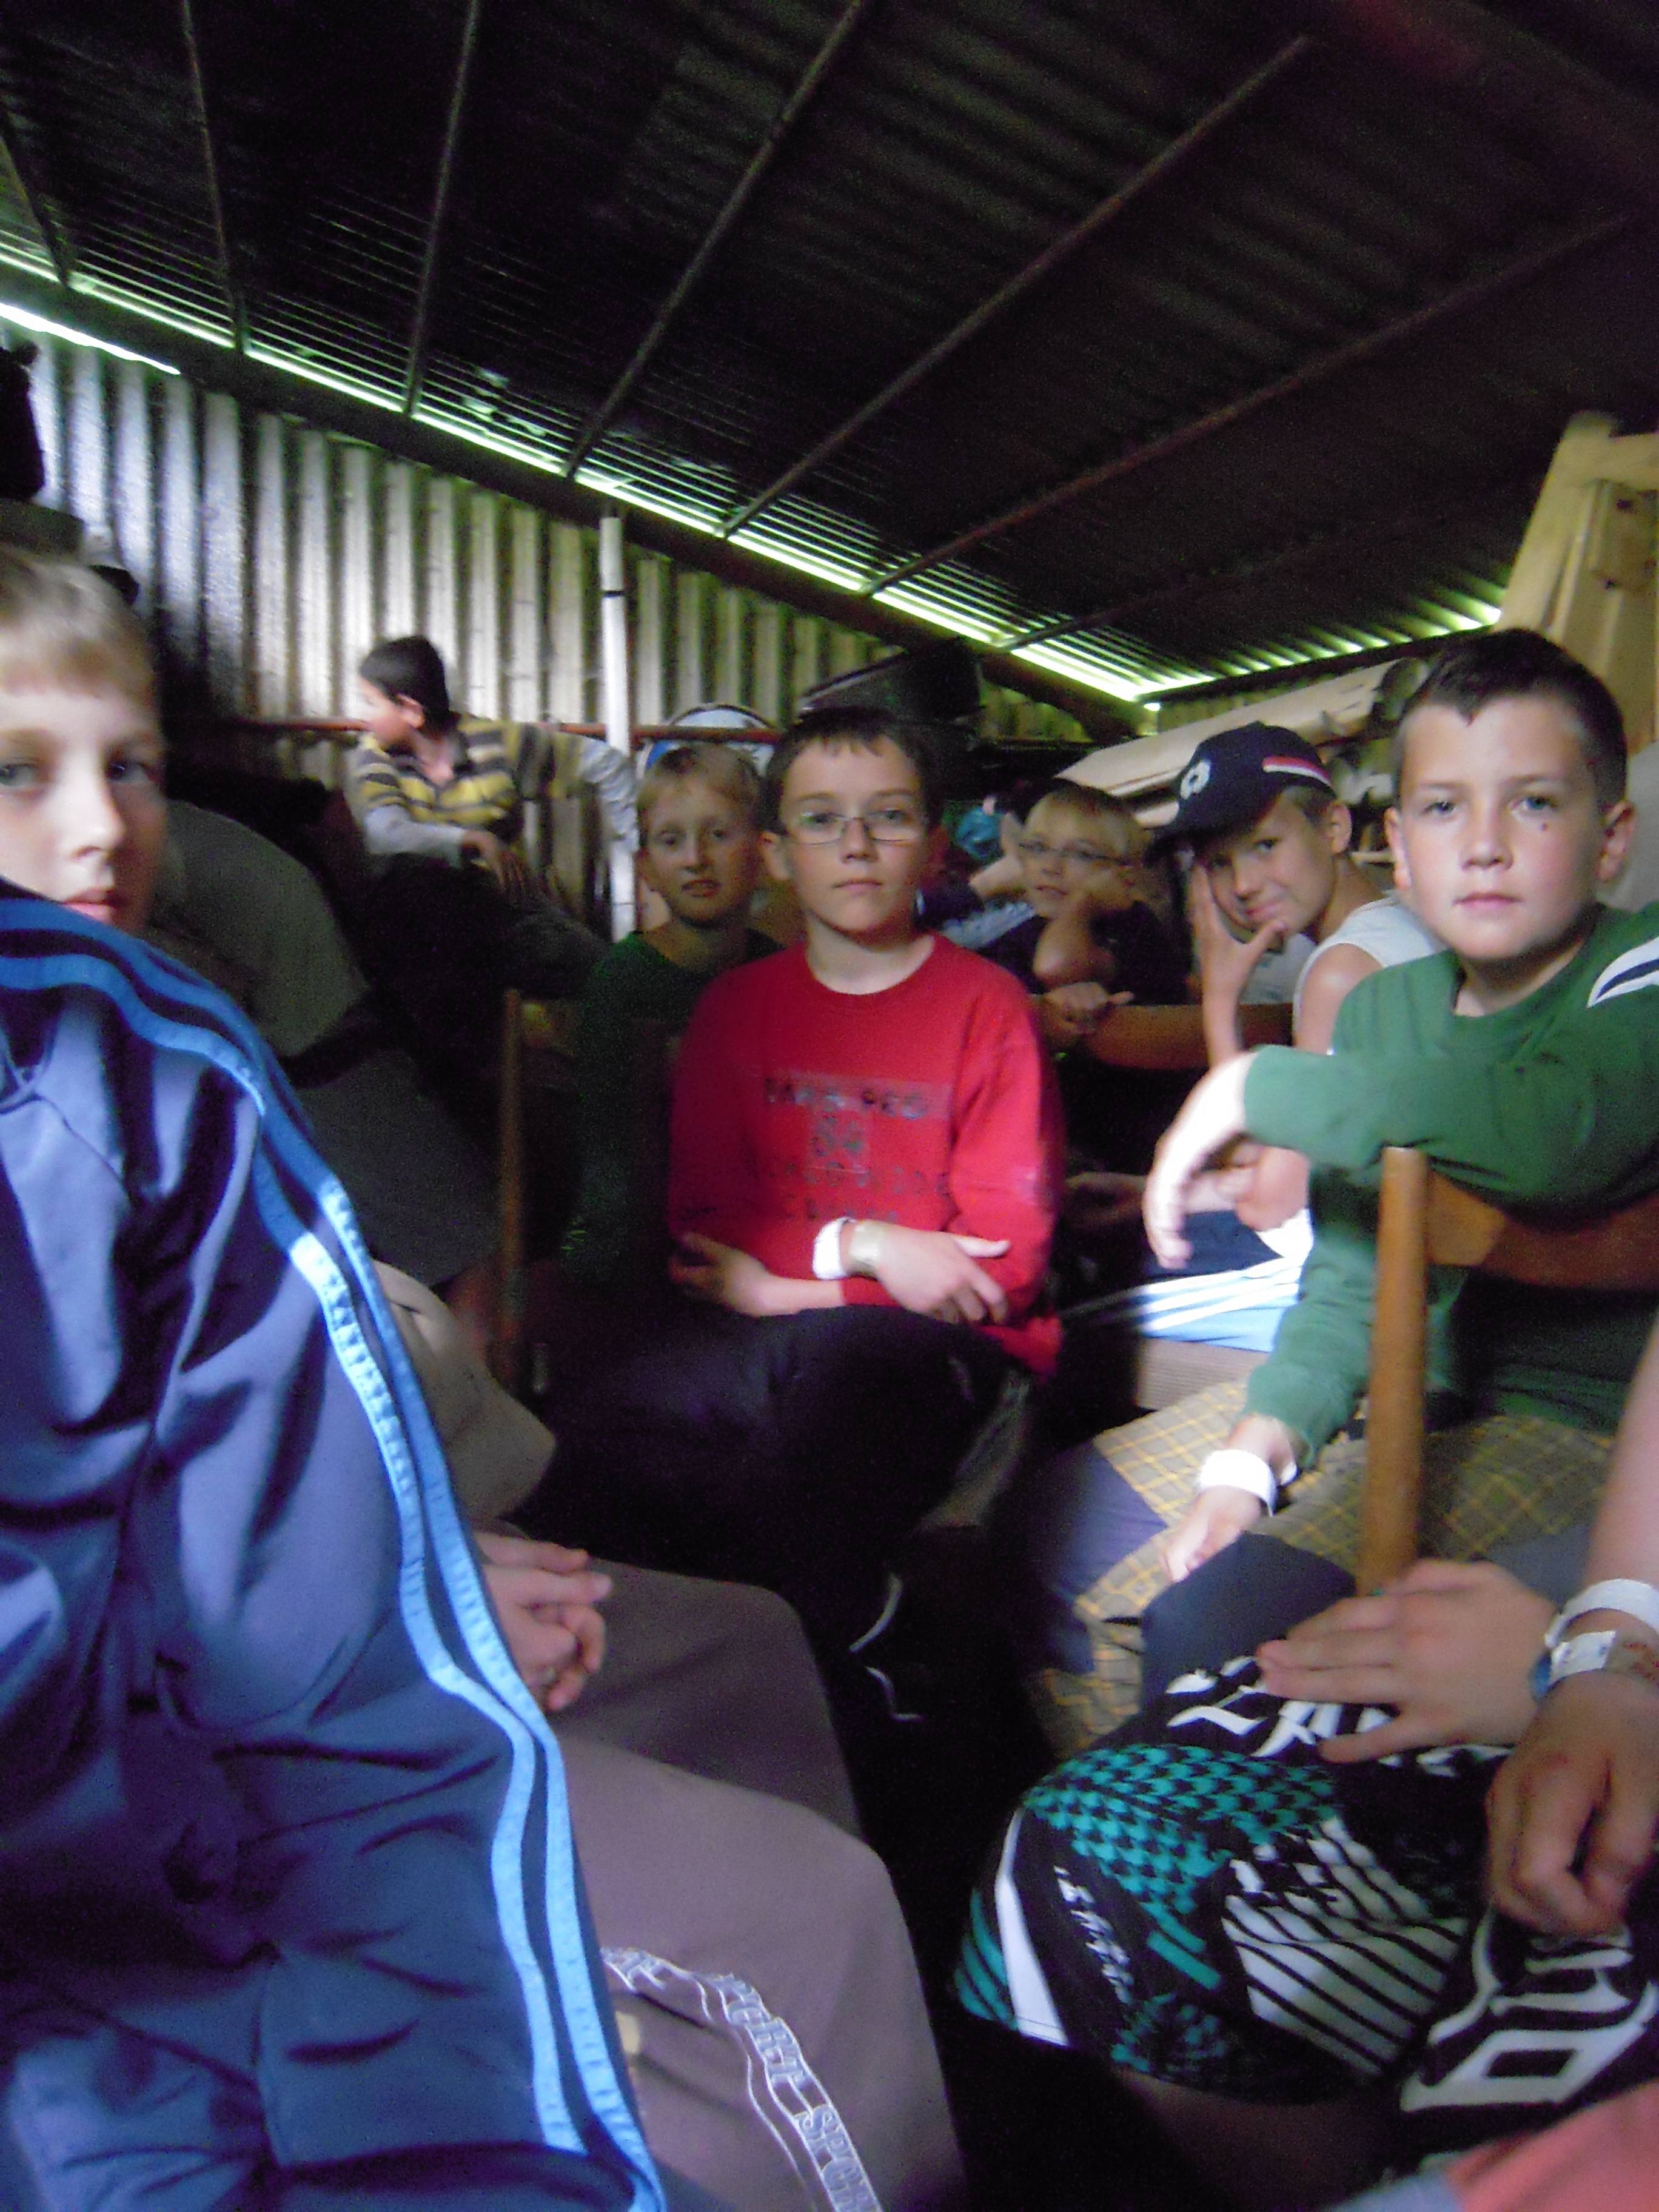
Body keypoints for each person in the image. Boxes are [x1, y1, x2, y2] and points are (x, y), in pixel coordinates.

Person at [0, 552, 694, 2207]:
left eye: (130, 767)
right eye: (19, 772)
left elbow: (281, 1617)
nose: (98, 828)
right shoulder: (171, 1032)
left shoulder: (167, 1074)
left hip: (359, 1072)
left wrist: (398, 1589)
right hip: (137, 1899)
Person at [1002, 630, 1659, 1748]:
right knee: (1061, 1551)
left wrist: (1265, 1083)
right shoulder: (1387, 1008)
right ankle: (1162, 1828)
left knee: (1218, 1628)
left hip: (1575, 1430)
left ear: (1612, 837)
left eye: (1535, 804)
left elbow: (1559, 1134)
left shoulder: (1636, 974)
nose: (1485, 846)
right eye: (1444, 809)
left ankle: (1284, 1825)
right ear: (1399, 842)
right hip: (1394, 1395)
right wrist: (1253, 1458)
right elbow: (1352, 1273)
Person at [958, 1273, 1659, 2212]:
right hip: (1604, 1625)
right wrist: (1607, 1651)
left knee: (1210, 1623)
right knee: (1089, 1844)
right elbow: (1348, 1278)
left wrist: (1562, 1673)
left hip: (1556, 1452)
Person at [381, 1270, 965, 2212]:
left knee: (752, 1639)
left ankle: (848, 2047)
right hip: (227, 1714)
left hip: (362, 1542)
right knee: (818, 1900)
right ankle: (771, 2057)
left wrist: (434, 1548)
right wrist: (403, 1608)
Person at [525, 705, 1065, 1675]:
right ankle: (622, 1719)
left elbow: (1001, 1274)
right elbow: (704, 1225)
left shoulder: (988, 1011)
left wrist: (786, 1290)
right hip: (764, 1333)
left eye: (888, 816)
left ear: (934, 847)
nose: (855, 845)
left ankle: (866, 1679)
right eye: (821, 820)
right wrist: (868, 1245)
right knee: (586, 1445)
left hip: (929, 1349)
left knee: (805, 1463)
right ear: (777, 853)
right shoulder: (737, 1012)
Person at [144, 794, 499, 1301]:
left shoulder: (155, 845)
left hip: (322, 1053)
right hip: (317, 1043)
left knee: (466, 1253)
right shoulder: (178, 835)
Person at [559, 742, 777, 1298]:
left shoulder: (782, 974)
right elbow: (610, 1160)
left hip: (761, 1238)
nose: (696, 859)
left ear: (762, 853)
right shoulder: (623, 981)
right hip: (641, 1251)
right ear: (647, 869)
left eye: (718, 834)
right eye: (671, 840)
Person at [346, 635, 624, 1050]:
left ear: (411, 711)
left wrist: (642, 849)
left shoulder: (498, 743)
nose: (363, 717)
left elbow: (607, 764)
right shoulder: (373, 758)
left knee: (613, 979)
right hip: (417, 931)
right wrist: (472, 840)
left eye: (371, 703)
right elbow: (385, 833)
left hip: (503, 915)